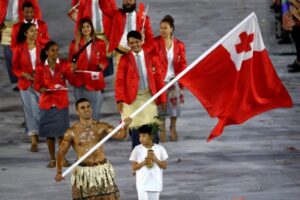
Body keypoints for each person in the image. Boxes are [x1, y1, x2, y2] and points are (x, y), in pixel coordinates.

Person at [55, 97, 132, 200]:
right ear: (77, 112)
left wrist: (125, 126)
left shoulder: (102, 126)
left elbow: (121, 135)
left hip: (102, 170)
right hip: (84, 172)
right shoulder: (71, 132)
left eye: (88, 106)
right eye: (82, 108)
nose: (87, 109)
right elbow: (61, 153)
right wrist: (59, 171)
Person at [115, 30, 166, 149]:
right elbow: (119, 81)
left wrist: (162, 98)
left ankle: (154, 155)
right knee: (136, 131)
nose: (134, 45)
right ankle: (138, 157)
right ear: (128, 44)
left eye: (136, 42)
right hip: (131, 100)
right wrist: (119, 100)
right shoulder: (124, 59)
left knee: (152, 128)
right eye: (131, 43)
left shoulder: (152, 57)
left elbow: (159, 79)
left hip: (149, 97)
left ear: (141, 41)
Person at [34, 41, 76, 168]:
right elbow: (36, 84)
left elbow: (72, 80)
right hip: (46, 104)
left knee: (62, 134)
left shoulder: (64, 65)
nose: (56, 53)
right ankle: (52, 159)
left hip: (60, 103)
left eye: (57, 50)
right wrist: (40, 88)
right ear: (47, 52)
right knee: (49, 135)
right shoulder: (40, 67)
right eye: (53, 50)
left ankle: (62, 158)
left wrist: (72, 69)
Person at [149, 15, 187, 142]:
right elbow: (146, 51)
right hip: (159, 80)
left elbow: (182, 63)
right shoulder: (154, 42)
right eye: (161, 28)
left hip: (173, 79)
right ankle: (162, 128)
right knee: (161, 107)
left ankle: (173, 127)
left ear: (171, 29)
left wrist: (182, 77)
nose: (163, 30)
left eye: (165, 28)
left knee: (174, 107)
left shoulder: (180, 45)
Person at [100, 0, 154, 75]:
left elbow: (150, 40)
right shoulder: (116, 14)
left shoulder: (144, 19)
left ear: (135, 1)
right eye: (125, 0)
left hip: (136, 54)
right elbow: (105, 7)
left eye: (130, 0)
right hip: (120, 53)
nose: (128, 2)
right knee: (120, 79)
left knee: (135, 80)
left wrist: (143, 42)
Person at [69, 17, 108, 120]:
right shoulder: (74, 44)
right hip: (80, 81)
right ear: (80, 29)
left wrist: (102, 65)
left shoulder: (100, 43)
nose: (86, 29)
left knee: (95, 109)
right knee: (82, 110)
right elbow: (70, 61)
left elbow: (104, 59)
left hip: (94, 80)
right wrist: (72, 66)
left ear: (92, 28)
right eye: (83, 27)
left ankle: (95, 134)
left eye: (88, 27)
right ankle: (85, 133)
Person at [12, 22, 41, 152]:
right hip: (26, 84)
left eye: (36, 30)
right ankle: (33, 139)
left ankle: (45, 132)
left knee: (41, 110)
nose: (35, 33)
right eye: (32, 31)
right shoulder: (19, 48)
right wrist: (24, 74)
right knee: (30, 111)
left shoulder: (43, 47)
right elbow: (15, 68)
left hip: (41, 83)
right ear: (25, 33)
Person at [0, 0, 42, 91]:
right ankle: (17, 80)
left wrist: (35, 26)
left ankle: (25, 81)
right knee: (8, 54)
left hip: (20, 25)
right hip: (6, 27)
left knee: (22, 54)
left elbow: (36, 10)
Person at [70, 0, 117, 77]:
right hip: (90, 34)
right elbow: (78, 15)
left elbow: (114, 12)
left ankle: (101, 79)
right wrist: (78, 34)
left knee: (104, 59)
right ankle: (95, 80)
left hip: (105, 32)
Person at [129, 124, 168, 200]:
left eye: (144, 136)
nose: (141, 139)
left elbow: (164, 166)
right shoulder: (137, 149)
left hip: (155, 183)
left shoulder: (160, 149)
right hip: (142, 184)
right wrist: (144, 162)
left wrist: (155, 159)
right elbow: (134, 167)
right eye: (140, 136)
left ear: (151, 136)